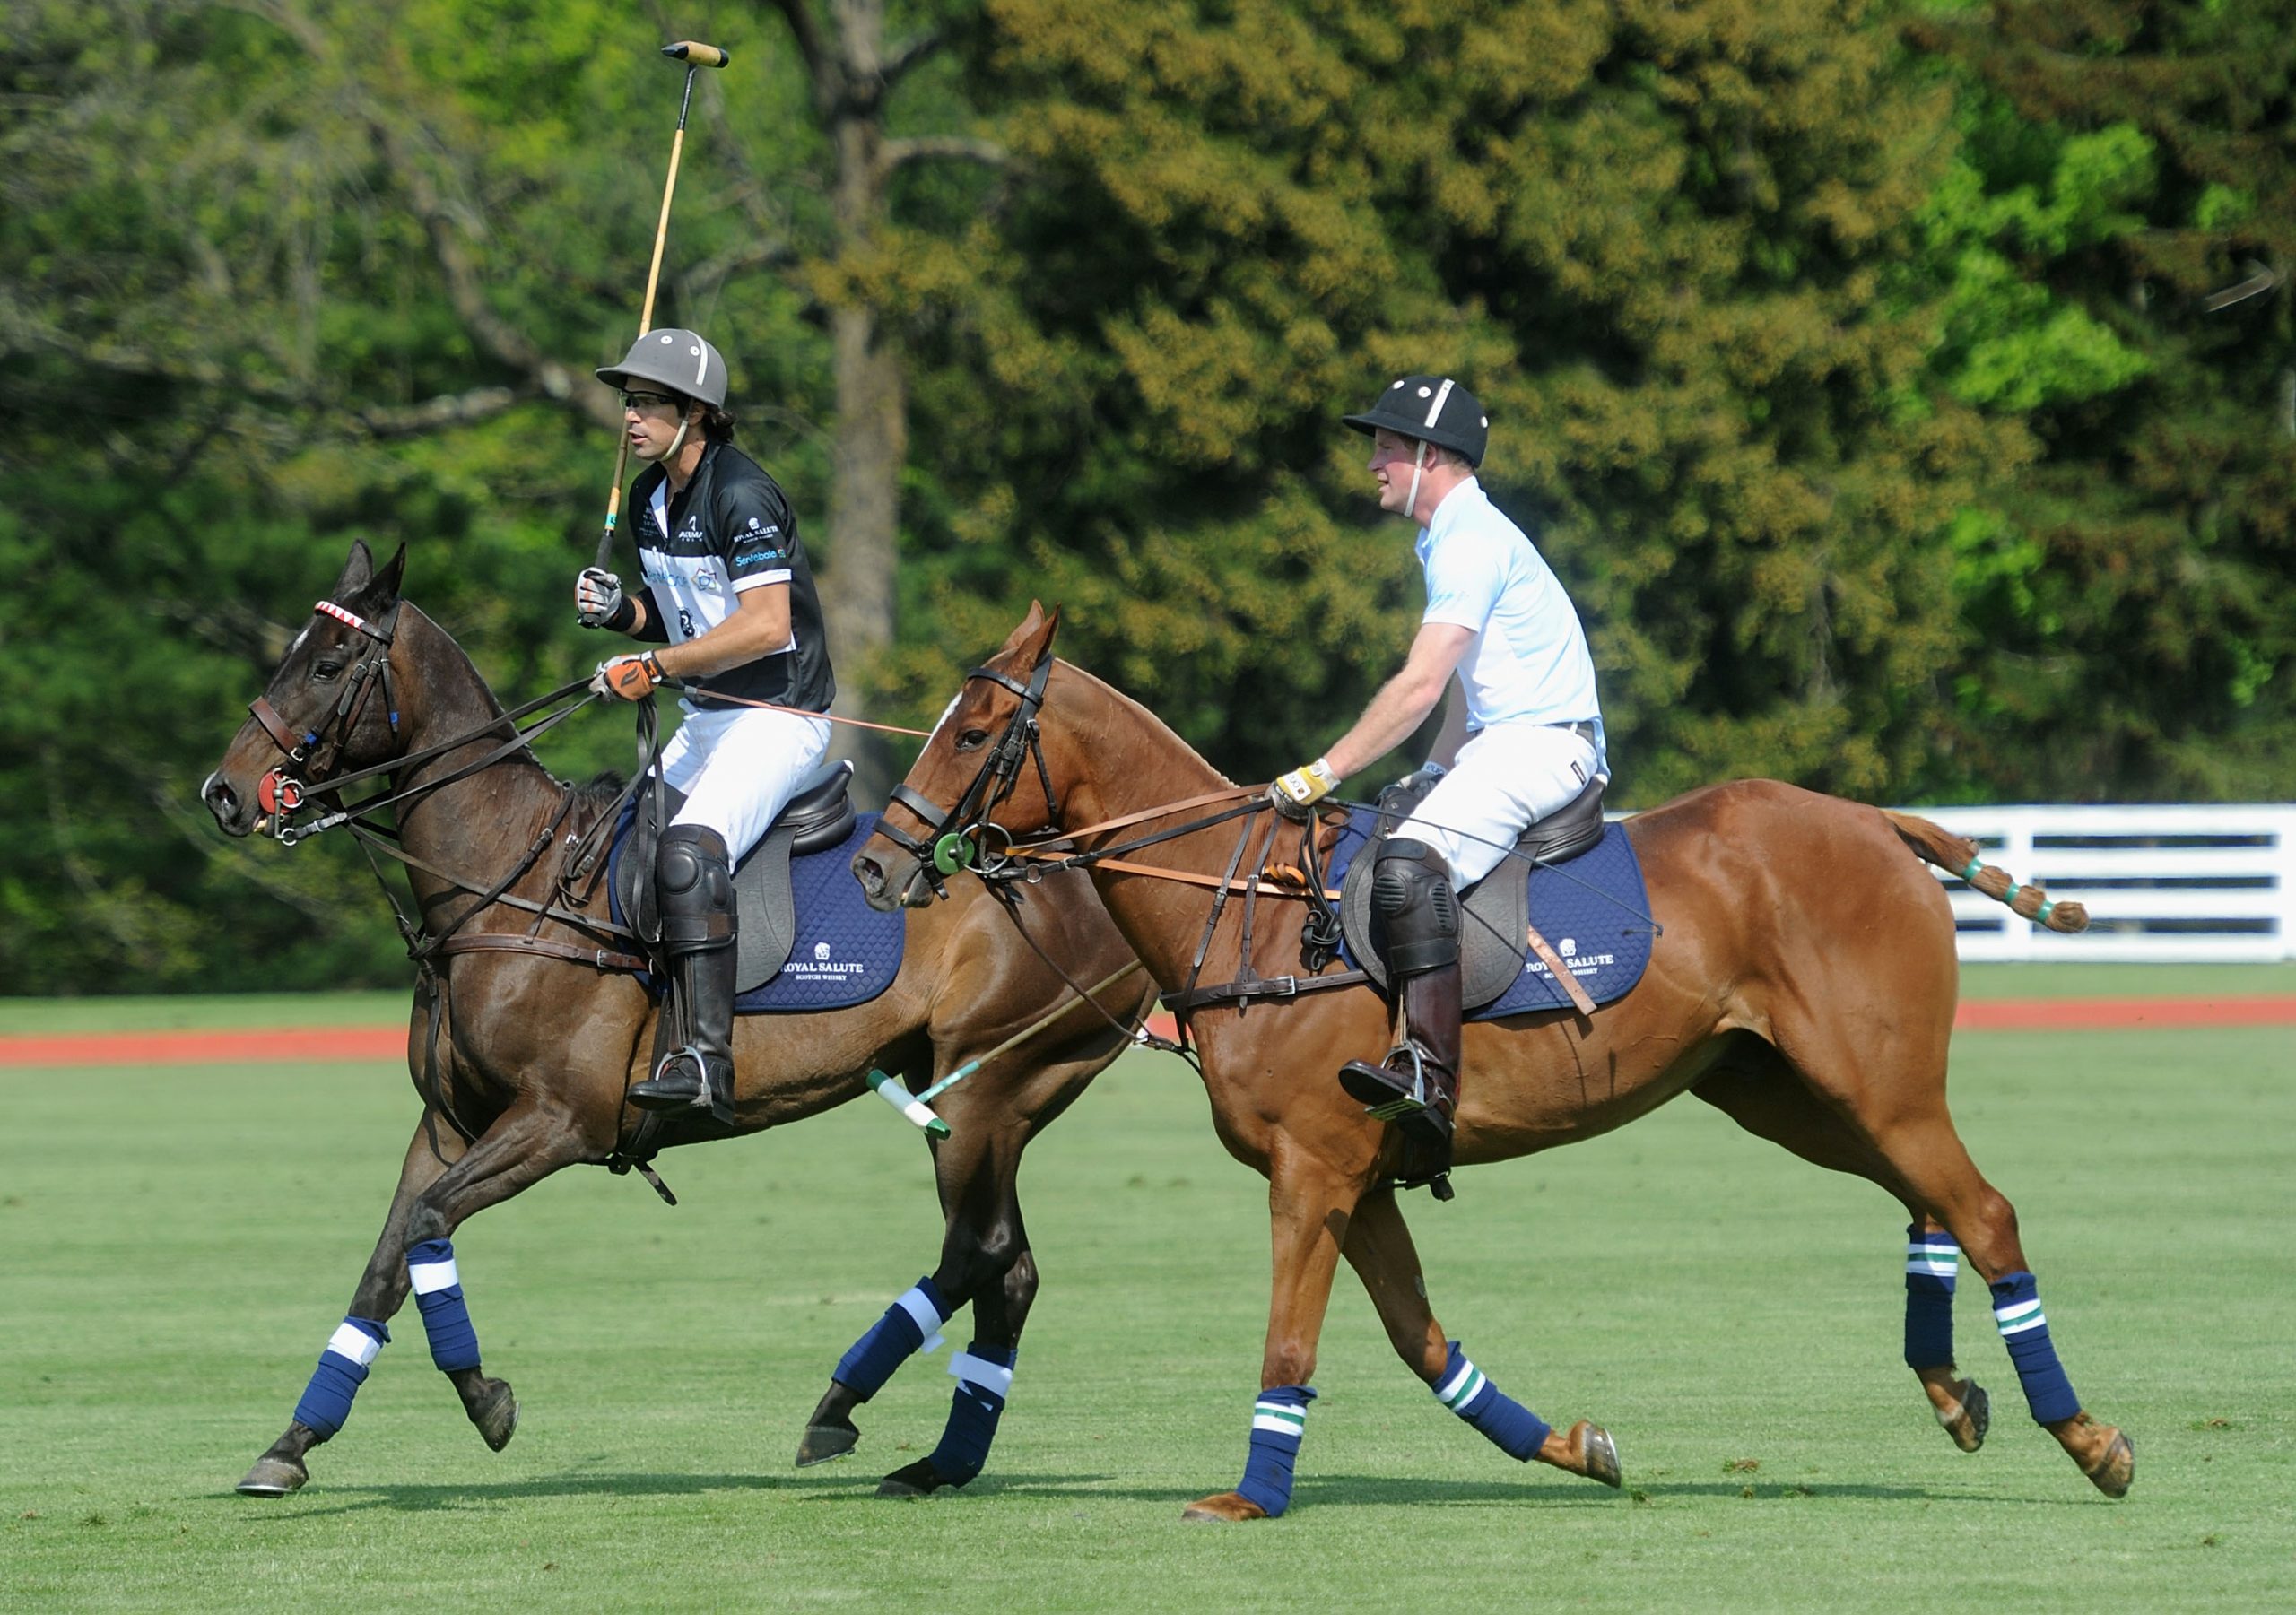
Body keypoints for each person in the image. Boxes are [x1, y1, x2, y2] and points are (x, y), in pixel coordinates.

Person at [1269, 375, 1605, 1185]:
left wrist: (1325, 770)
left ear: (1429, 455)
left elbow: (1420, 684)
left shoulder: (1468, 538)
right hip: (1506, 738)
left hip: (1544, 745)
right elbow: (1468, 686)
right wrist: (1431, 768)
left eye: (1386, 447)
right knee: (1401, 824)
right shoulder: (1451, 536)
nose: (1374, 464)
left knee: (1411, 859)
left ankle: (1428, 1074)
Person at [578, 328, 835, 1120]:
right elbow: (688, 617)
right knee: (612, 845)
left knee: (689, 853)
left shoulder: (742, 495)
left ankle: (705, 1061)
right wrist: (625, 615)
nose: (631, 417)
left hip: (777, 717)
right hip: (710, 715)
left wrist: (651, 669)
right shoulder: (653, 503)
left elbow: (762, 626)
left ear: (696, 412)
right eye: (628, 401)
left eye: (648, 402)